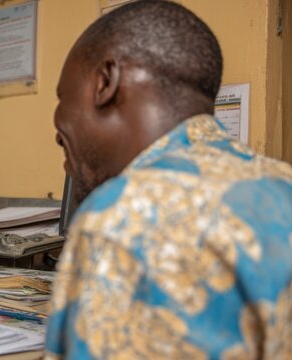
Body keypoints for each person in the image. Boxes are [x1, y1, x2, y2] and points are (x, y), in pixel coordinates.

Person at [45, 1, 292, 359]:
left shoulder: (124, 219)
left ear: (105, 82)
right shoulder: (282, 184)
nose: (57, 130)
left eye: (62, 97)